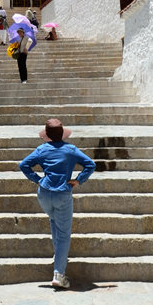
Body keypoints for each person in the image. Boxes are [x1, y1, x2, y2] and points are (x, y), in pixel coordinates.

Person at [19, 118, 96, 289]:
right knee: (63, 234)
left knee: (54, 221)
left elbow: (23, 165)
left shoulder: (41, 149)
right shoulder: (70, 149)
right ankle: (59, 274)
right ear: (62, 133)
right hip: (62, 194)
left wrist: (37, 179)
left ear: (47, 135)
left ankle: (59, 257)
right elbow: (90, 164)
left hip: (44, 193)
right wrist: (78, 180)